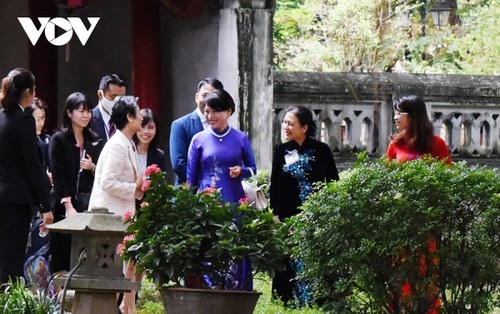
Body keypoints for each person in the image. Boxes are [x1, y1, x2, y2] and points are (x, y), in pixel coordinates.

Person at [386, 95, 451, 313]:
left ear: (413, 117)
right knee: (401, 269)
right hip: (400, 219)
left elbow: (447, 179)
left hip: (426, 220)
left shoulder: (436, 145)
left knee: (426, 269)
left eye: (399, 113)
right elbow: (384, 180)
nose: (395, 117)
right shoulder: (395, 146)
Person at [269, 105, 339, 306]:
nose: (286, 127)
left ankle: (317, 299)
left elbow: (332, 182)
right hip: (288, 216)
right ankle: (289, 300)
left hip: (316, 215)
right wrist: (274, 214)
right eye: (284, 123)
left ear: (305, 127)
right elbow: (276, 186)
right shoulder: (282, 151)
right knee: (288, 257)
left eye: (291, 124)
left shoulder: (321, 150)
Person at [187, 89, 256, 290]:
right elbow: (191, 180)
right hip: (206, 204)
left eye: (215, 112)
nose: (210, 117)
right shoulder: (198, 140)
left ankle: (237, 289)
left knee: (235, 245)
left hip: (234, 199)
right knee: (209, 245)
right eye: (207, 112)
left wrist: (241, 170)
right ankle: (211, 288)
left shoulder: (241, 138)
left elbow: (253, 169)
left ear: (228, 111)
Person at [88, 96, 144, 314]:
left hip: (123, 216)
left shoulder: (127, 143)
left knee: (129, 265)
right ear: (129, 117)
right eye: (137, 113)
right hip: (110, 218)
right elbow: (107, 183)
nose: (141, 116)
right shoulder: (116, 146)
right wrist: (133, 187)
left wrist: (137, 187)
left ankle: (126, 308)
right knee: (115, 270)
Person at [0, 68, 53, 284]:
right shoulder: (24, 121)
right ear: (29, 92)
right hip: (16, 200)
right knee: (11, 261)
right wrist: (45, 205)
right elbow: (32, 166)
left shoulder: (1, 117)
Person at [49, 92, 104, 274]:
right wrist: (67, 204)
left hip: (87, 203)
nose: (86, 115)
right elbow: (58, 174)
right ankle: (59, 299)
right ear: (69, 113)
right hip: (64, 203)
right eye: (81, 111)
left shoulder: (95, 140)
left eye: (88, 111)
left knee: (85, 252)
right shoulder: (59, 139)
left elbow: (103, 172)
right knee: (61, 251)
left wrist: (93, 167)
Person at [170, 77, 223, 185]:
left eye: (214, 96)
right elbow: (179, 164)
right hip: (190, 194)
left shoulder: (223, 126)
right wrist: (200, 187)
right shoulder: (180, 125)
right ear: (196, 97)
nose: (209, 100)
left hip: (219, 193)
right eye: (205, 95)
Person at [387, 95, 451, 164]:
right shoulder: (396, 143)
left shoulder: (437, 143)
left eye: (399, 113)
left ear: (413, 115)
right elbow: (387, 171)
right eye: (395, 113)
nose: (395, 117)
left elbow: (447, 171)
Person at [89, 74, 127, 142]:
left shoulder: (127, 120)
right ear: (100, 94)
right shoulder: (88, 119)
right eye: (113, 97)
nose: (117, 102)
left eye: (121, 98)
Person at [133, 108, 167, 173]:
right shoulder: (127, 151)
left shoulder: (159, 155)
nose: (146, 131)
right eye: (142, 126)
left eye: (150, 127)